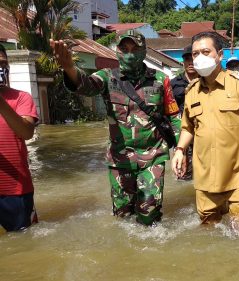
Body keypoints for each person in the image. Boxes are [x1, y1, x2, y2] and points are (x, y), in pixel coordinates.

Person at [51, 30, 181, 226]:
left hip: (153, 156)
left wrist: (181, 149)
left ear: (144, 51)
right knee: (122, 216)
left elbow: (173, 116)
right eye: (124, 49)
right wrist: (69, 67)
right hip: (120, 158)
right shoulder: (107, 78)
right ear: (117, 51)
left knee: (149, 212)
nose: (129, 54)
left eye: (135, 49)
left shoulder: (160, 80)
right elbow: (86, 85)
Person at [171, 31, 239, 227]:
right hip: (205, 176)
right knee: (209, 229)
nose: (199, 57)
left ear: (220, 55)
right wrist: (180, 150)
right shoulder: (191, 92)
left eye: (206, 52)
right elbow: (188, 128)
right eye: (195, 54)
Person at [0, 44, 39, 232]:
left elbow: (27, 133)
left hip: (15, 190)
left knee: (25, 242)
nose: (1, 68)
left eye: (3, 64)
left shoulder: (21, 98)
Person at [171, 45, 199, 181]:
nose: (190, 62)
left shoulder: (207, 82)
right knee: (183, 173)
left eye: (193, 58)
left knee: (204, 170)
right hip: (182, 131)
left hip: (202, 131)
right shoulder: (174, 83)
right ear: (183, 62)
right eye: (187, 59)